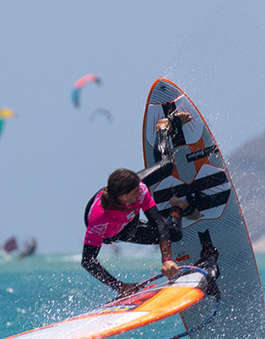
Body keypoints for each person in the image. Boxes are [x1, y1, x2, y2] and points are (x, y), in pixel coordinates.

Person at [80, 112, 192, 295]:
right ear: (123, 197)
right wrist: (119, 286)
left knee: (166, 166)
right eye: (136, 192)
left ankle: (163, 127)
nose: (142, 192)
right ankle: (177, 205)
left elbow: (158, 222)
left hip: (123, 190)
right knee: (175, 234)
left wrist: (166, 259)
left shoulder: (137, 189)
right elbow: (88, 261)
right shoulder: (100, 219)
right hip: (122, 230)